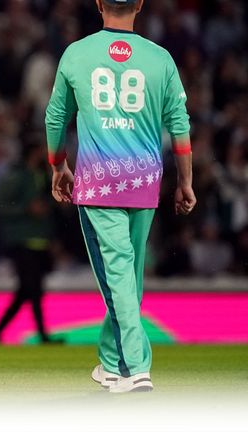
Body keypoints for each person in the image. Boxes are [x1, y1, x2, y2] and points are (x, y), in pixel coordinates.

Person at [45, 0, 195, 392]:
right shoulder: (160, 58)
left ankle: (134, 368)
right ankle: (112, 362)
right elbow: (179, 125)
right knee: (128, 277)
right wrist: (186, 181)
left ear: (98, 4)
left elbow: (54, 117)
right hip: (145, 179)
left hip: (98, 181)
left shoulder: (77, 53)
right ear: (140, 5)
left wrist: (58, 166)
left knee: (118, 277)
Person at [0, 144, 53, 344]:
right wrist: (27, 209)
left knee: (27, 290)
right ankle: (42, 335)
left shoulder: (43, 175)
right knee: (33, 289)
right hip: (22, 240)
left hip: (40, 241)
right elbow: (2, 206)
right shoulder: (17, 177)